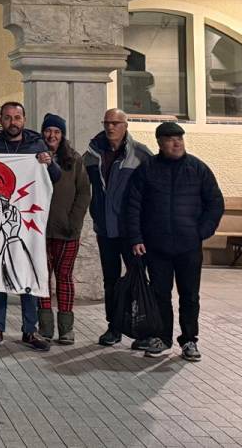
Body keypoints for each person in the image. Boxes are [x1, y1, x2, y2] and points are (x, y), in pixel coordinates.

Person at [126, 121, 224, 361]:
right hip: (156, 245)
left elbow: (215, 203)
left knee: (190, 295)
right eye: (170, 139)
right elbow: (133, 206)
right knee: (160, 293)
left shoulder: (198, 169)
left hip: (188, 245)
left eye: (179, 138)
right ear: (160, 143)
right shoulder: (147, 169)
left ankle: (189, 340)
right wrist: (137, 237)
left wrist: (201, 231)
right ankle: (162, 337)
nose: (176, 142)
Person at [0, 101, 59, 351]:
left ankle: (29, 330)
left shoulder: (37, 145)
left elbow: (55, 177)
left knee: (27, 273)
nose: (12, 122)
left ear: (24, 119)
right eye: (7, 118)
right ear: (0, 120)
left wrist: (49, 162)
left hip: (27, 221)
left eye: (17, 117)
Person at [84, 108, 153, 348]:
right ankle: (113, 327)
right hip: (106, 230)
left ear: (126, 126)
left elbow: (150, 194)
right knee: (110, 281)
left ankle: (143, 328)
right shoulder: (92, 154)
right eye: (107, 123)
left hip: (132, 232)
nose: (110, 127)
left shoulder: (141, 155)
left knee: (138, 279)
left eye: (116, 123)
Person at [37, 113, 91, 345]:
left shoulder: (74, 160)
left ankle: (66, 328)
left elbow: (84, 193)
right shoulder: (35, 157)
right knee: (42, 280)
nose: (52, 135)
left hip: (67, 231)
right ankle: (46, 327)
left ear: (62, 135)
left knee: (64, 278)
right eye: (48, 131)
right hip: (40, 231)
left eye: (57, 132)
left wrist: (74, 222)